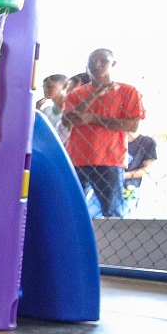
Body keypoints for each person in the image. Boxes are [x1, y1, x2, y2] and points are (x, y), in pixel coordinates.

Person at [62, 49, 144, 219]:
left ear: (113, 64)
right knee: (71, 210)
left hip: (109, 159)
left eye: (103, 61)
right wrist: (94, 94)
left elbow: (132, 125)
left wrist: (94, 118)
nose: (97, 65)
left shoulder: (127, 91)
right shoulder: (77, 94)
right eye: (92, 62)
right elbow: (67, 120)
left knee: (112, 212)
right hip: (77, 159)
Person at [123, 132, 158, 216]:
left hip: (129, 187)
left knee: (124, 217)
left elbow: (148, 168)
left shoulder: (147, 142)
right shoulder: (114, 139)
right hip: (107, 184)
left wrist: (125, 176)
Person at [35, 74, 69, 143]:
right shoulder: (47, 110)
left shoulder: (70, 110)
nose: (45, 90)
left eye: (49, 87)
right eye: (43, 87)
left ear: (64, 86)